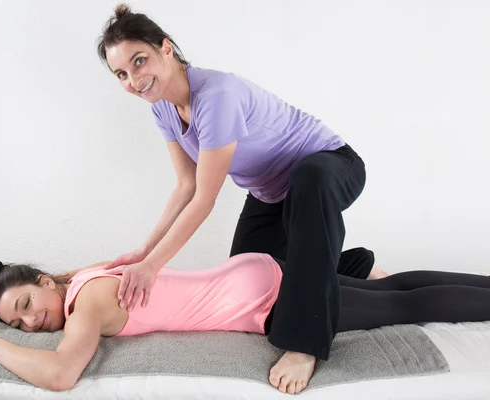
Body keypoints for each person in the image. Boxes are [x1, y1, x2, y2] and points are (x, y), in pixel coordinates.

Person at [93, 3, 388, 387]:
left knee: (308, 179)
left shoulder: (217, 96)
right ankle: (358, 266)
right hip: (271, 195)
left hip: (329, 168)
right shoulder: (164, 108)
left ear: (166, 49)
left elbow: (205, 200)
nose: (134, 79)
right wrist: (144, 253)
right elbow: (187, 185)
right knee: (251, 285)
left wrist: (153, 267)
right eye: (122, 74)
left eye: (139, 61)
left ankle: (306, 344)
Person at [0, 251, 490, 394]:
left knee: (403, 307)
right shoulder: (87, 276)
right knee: (391, 289)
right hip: (253, 274)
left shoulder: (84, 305)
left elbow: (63, 374)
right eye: (18, 327)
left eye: (23, 306)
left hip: (259, 300)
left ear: (44, 282)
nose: (32, 323)